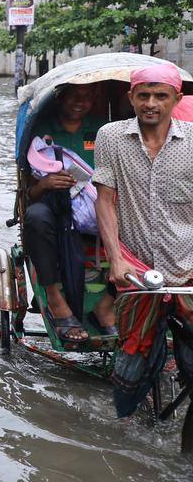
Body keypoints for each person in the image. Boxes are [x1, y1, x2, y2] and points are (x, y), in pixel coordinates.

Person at [92, 62, 193, 419]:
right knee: (131, 366)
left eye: (161, 96)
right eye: (144, 95)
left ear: (176, 99)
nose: (152, 103)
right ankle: (125, 433)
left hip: (187, 266)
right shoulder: (111, 137)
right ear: (131, 97)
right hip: (135, 269)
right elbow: (104, 200)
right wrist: (116, 258)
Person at [22, 83, 112, 342]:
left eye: (86, 97)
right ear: (60, 98)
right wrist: (45, 184)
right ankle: (55, 298)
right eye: (74, 96)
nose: (79, 103)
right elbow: (30, 193)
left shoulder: (102, 129)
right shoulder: (42, 130)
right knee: (36, 216)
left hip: (101, 203)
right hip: (53, 207)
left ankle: (107, 304)